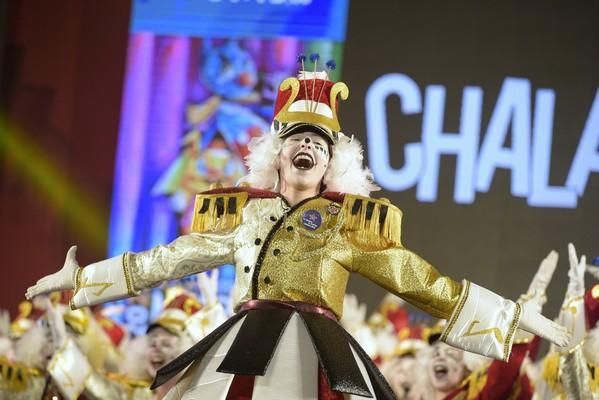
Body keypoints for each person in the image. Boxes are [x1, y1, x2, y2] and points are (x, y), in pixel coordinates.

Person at [26, 58, 570, 400]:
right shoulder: (242, 215)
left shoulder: (348, 223)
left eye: (320, 142)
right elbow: (167, 259)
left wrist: (517, 320)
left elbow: (424, 284)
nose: (308, 146)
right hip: (237, 350)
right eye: (298, 138)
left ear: (333, 162)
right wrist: (82, 281)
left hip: (318, 360)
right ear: (277, 151)